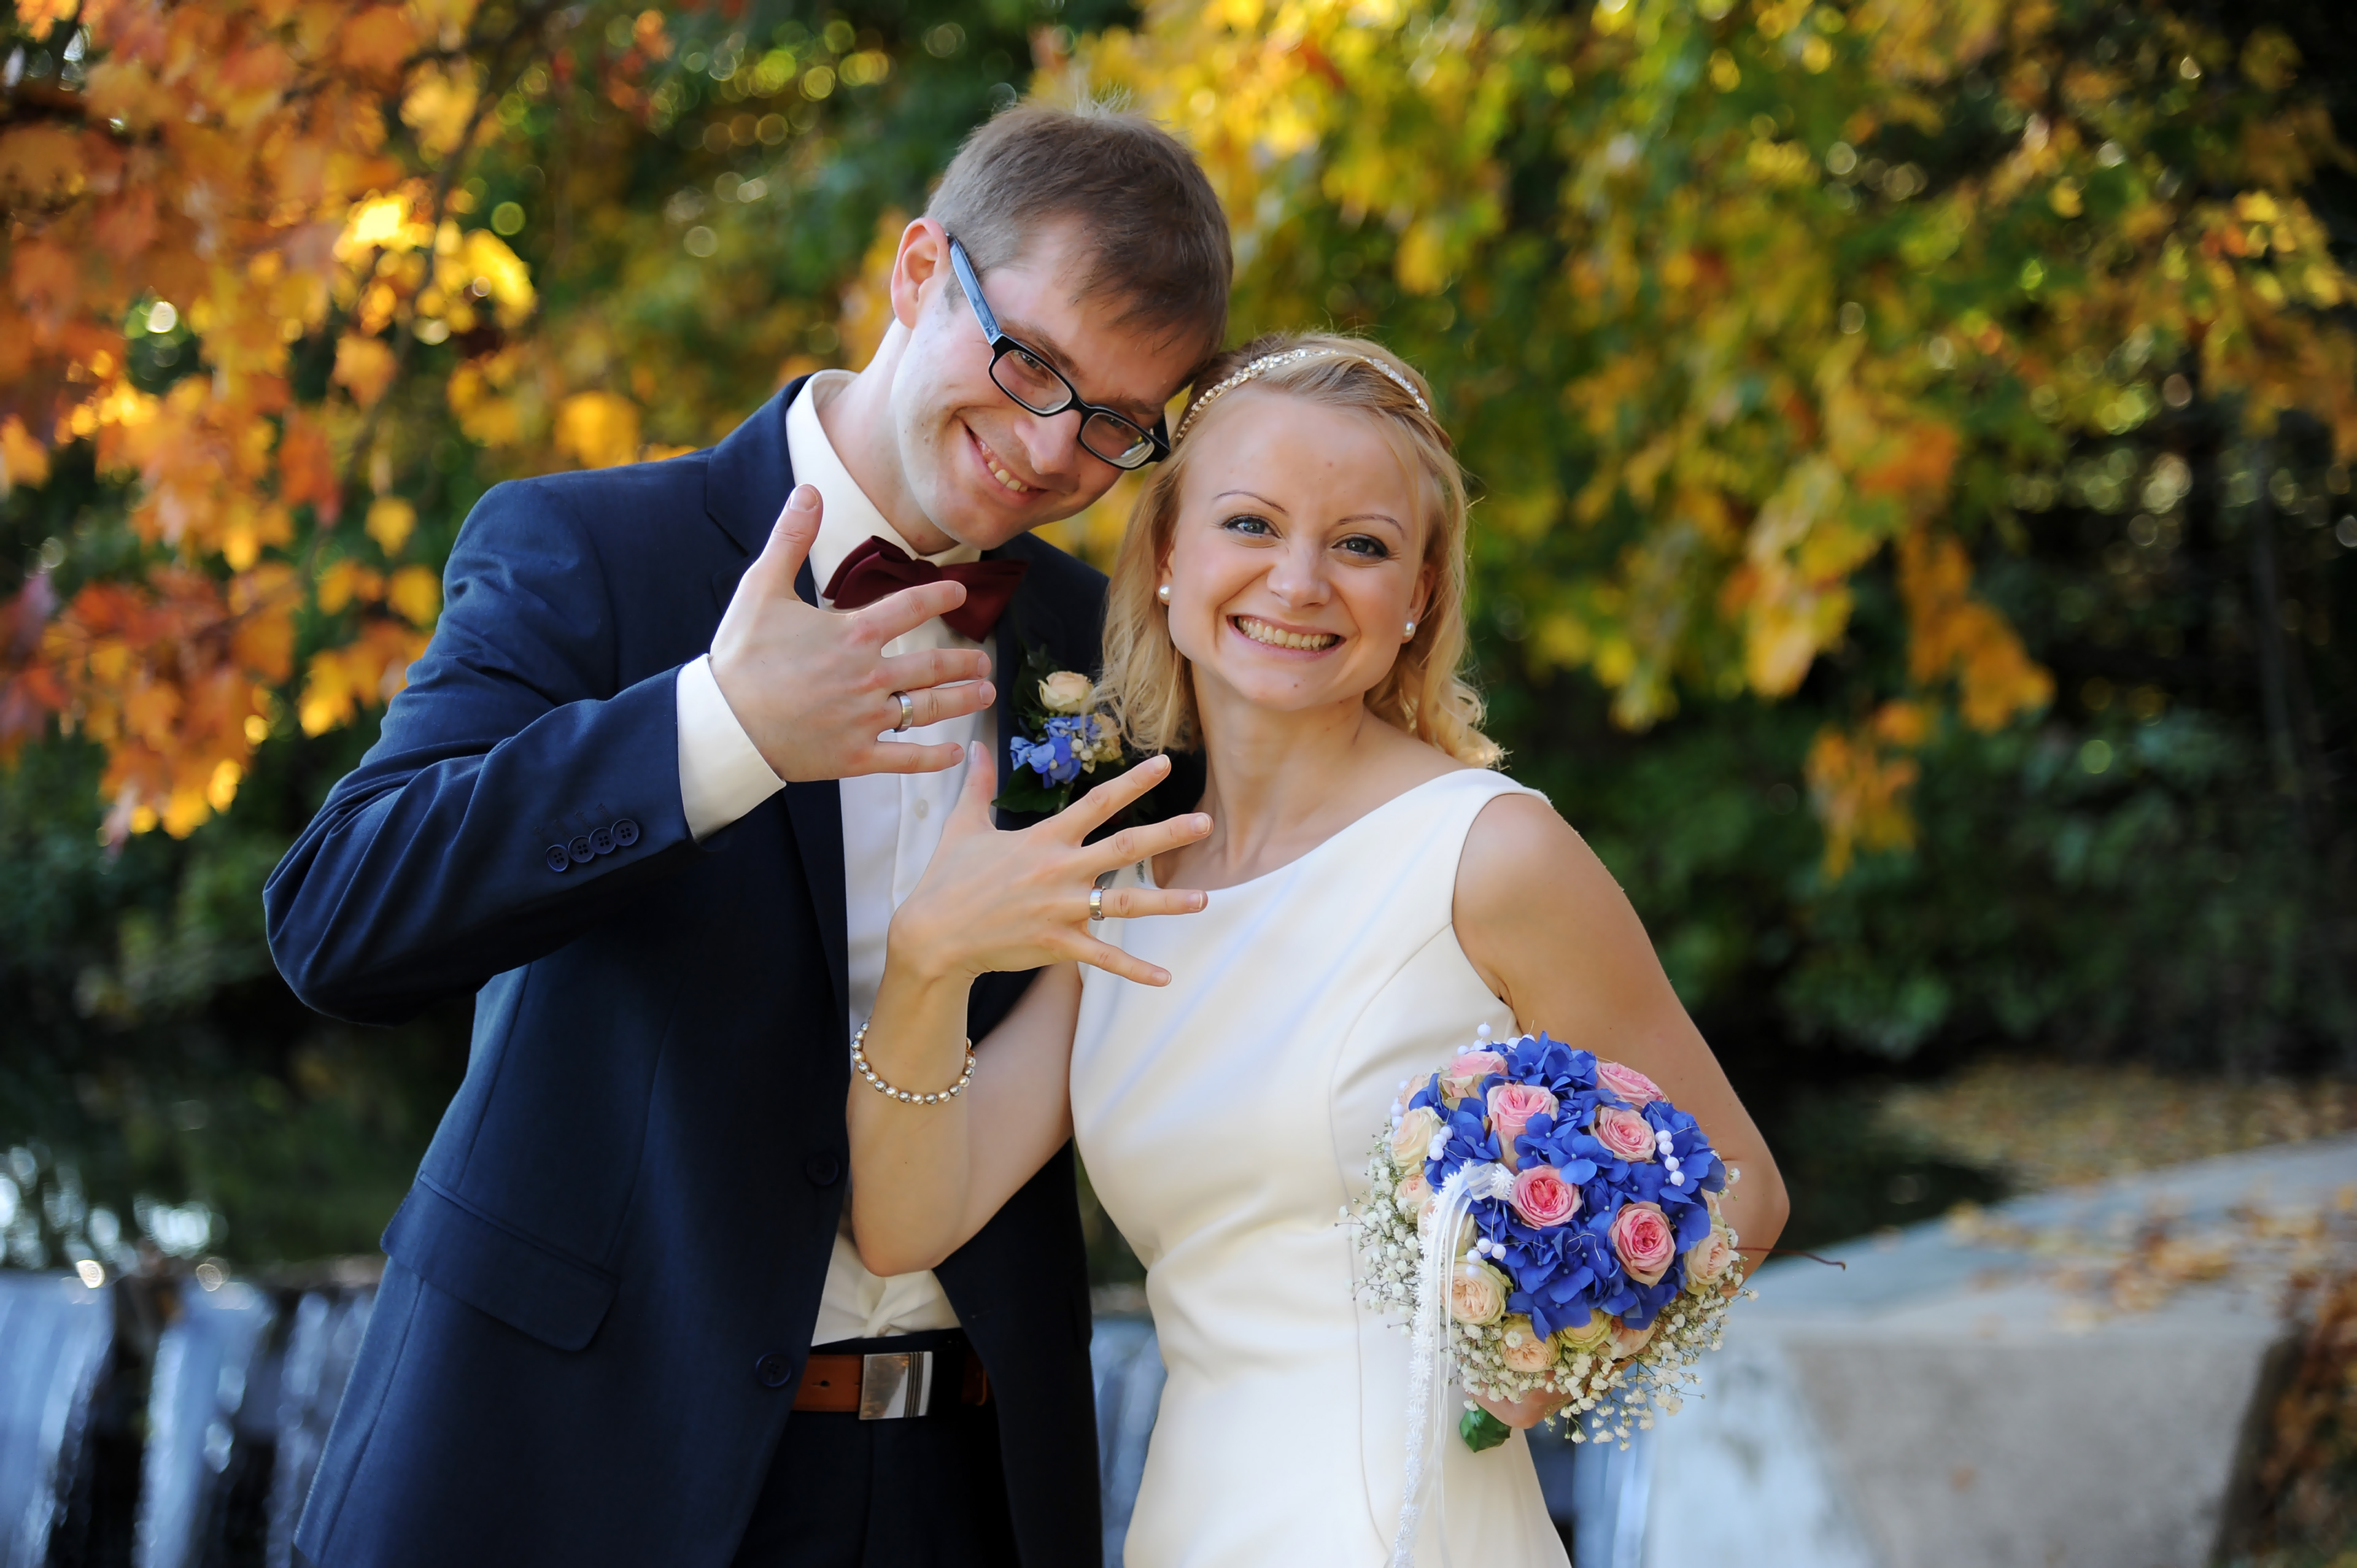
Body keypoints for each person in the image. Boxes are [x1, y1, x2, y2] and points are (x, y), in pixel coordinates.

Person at [261, 103, 1229, 1568]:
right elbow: (339, 921)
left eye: (1113, 424)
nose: (1051, 449)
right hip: (569, 1463)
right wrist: (715, 732)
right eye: (1031, 362)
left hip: (964, 1480)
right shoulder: (588, 551)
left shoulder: (1107, 654)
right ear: (919, 271)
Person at [842, 333, 1791, 1564]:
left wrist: (1530, 1380)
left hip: (1409, 1529)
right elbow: (910, 1222)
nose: (1298, 583)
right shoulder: (1120, 883)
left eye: (1361, 546)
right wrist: (928, 963)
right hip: (1190, 1523)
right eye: (1251, 524)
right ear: (1168, 556)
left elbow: (1739, 1185)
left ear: (1418, 597)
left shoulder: (1489, 853)